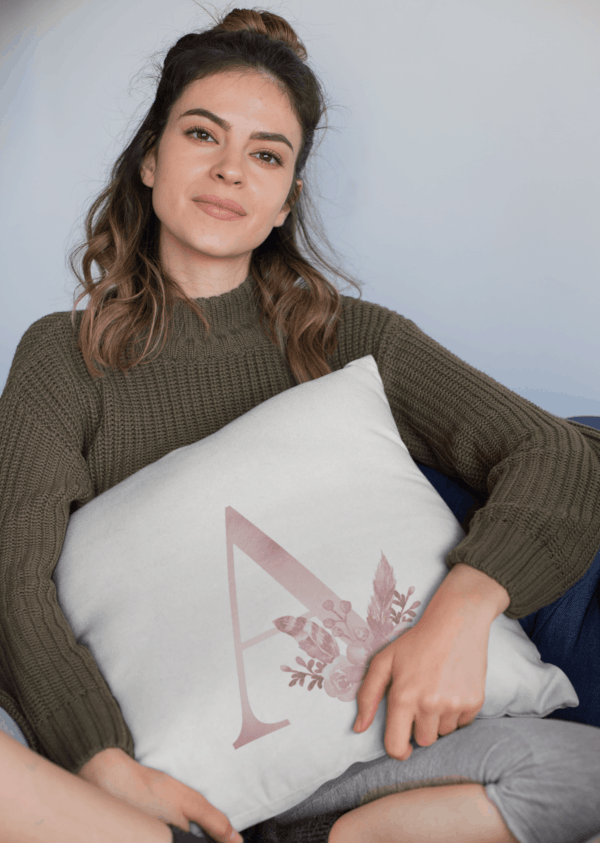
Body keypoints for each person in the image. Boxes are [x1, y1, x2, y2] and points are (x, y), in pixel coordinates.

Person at [1, 7, 600, 843]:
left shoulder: (351, 338)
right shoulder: (63, 357)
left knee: (581, 773)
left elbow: (560, 455)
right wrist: (104, 762)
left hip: (371, 748)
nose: (230, 172)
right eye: (202, 135)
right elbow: (12, 578)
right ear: (149, 158)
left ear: (288, 198)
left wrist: (459, 612)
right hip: (165, 773)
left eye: (266, 154)